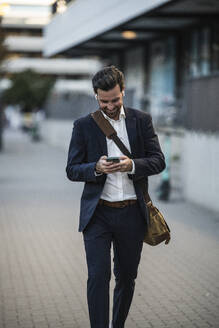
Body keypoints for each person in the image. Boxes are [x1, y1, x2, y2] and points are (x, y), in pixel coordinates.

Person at [66, 66, 165, 328]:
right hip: (98, 214)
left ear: (123, 91)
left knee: (126, 277)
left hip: (132, 214)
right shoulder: (83, 125)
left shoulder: (141, 120)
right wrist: (96, 168)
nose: (110, 106)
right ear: (96, 96)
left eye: (115, 100)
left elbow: (158, 161)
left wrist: (131, 165)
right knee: (98, 277)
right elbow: (72, 170)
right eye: (104, 101)